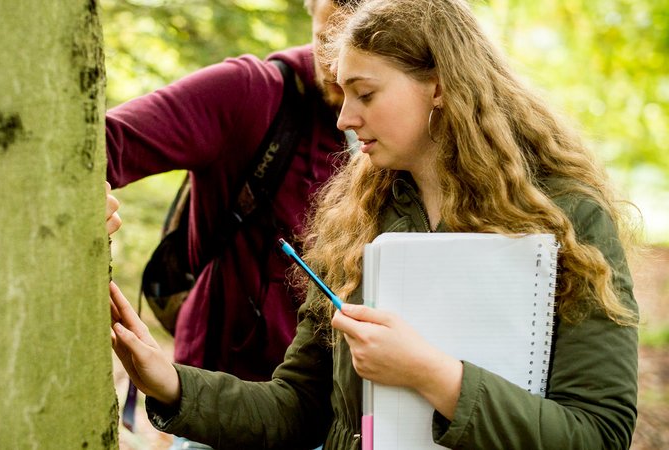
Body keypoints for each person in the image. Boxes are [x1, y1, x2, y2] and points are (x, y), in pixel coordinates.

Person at [109, 0, 640, 448]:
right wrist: (169, 383)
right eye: (343, 94)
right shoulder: (357, 217)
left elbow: (599, 432)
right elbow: (297, 409)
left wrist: (432, 375)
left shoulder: (566, 216)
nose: (345, 117)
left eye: (365, 94)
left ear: (438, 85)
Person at [105, 0, 359, 388]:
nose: (339, 68)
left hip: (341, 401)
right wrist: (89, 205)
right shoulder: (252, 93)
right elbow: (100, 147)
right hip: (216, 394)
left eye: (360, 47)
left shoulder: (413, 124)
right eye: (327, 41)